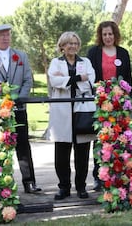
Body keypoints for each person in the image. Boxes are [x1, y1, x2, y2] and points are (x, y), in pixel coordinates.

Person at [0, 24, 41, 194]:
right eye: (1, 35)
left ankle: (29, 182)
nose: (5, 38)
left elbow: (27, 80)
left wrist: (18, 99)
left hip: (18, 107)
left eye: (7, 34)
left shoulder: (20, 55)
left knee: (23, 144)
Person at [46, 31, 96, 200]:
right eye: (69, 43)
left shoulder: (86, 62)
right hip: (62, 110)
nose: (72, 46)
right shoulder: (55, 62)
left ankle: (81, 186)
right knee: (62, 152)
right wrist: (76, 78)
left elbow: (89, 82)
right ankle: (64, 187)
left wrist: (66, 79)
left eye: (75, 43)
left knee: (82, 152)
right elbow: (54, 81)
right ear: (62, 46)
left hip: (82, 109)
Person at [87, 21, 132, 191]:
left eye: (110, 34)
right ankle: (99, 175)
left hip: (119, 104)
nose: (108, 37)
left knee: (119, 139)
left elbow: (128, 78)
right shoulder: (93, 52)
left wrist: (129, 102)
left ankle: (119, 173)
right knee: (100, 140)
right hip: (100, 103)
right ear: (101, 35)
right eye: (105, 34)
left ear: (115, 35)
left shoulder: (123, 53)